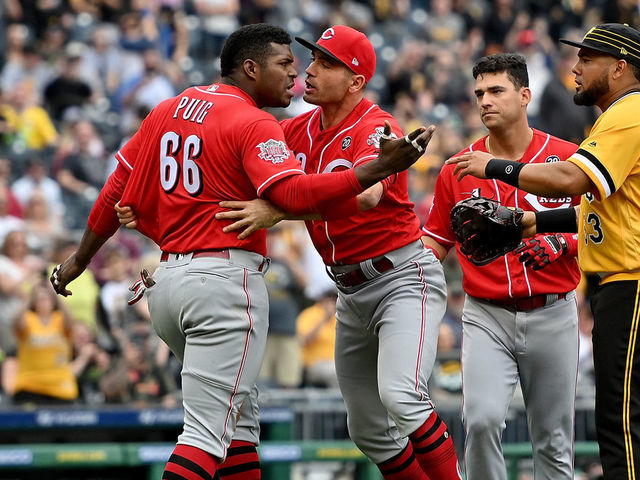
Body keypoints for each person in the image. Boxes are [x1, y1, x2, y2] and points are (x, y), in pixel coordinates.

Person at [51, 23, 434, 480]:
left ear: (356, 80)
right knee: (206, 436)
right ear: (251, 68)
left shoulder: (170, 107)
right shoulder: (257, 122)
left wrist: (80, 259)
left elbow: (120, 186)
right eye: (287, 63)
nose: (298, 73)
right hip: (223, 284)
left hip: (169, 284)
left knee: (239, 429)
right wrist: (373, 170)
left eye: (313, 62)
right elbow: (294, 193)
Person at [207, 25, 462, 480]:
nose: (309, 70)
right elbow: (235, 161)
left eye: (327, 63)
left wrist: (277, 211)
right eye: (312, 59)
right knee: (368, 429)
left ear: (356, 81)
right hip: (348, 290)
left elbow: (366, 196)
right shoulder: (297, 128)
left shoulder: (377, 126)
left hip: (401, 276)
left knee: (402, 398)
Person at [445, 23, 640, 479]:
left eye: (587, 59)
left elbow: (573, 182)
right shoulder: (617, 116)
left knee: (621, 421)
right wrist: (534, 222)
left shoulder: (629, 112)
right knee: (615, 417)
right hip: (607, 285)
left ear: (619, 67)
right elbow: (596, 208)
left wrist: (494, 167)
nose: (575, 68)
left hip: (629, 284)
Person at [422, 53, 581, 480]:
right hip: (486, 313)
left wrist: (561, 240)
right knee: (482, 419)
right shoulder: (458, 168)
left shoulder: (566, 159)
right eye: (479, 93)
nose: (485, 100)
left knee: (553, 437)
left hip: (553, 309)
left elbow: (601, 228)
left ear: (525, 95)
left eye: (496, 90)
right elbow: (434, 242)